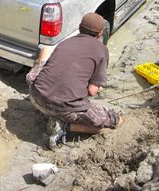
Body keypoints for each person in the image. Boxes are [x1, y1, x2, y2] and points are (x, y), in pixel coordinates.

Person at [27, 12, 123, 149]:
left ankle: (52, 116)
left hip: (35, 96)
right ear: (100, 33)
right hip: (64, 109)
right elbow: (92, 90)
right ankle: (65, 126)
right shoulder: (102, 50)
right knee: (115, 121)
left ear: (79, 28)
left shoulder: (66, 41)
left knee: (45, 59)